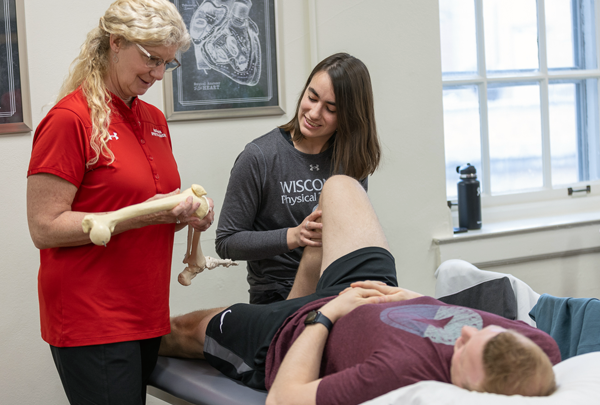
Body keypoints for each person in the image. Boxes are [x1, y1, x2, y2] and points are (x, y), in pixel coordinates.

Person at [160, 176, 560, 405]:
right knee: (340, 187)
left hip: (296, 332)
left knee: (181, 330)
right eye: (482, 330)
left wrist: (327, 315)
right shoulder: (533, 352)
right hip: (375, 291)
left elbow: (284, 398)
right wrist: (411, 298)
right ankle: (301, 293)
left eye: (463, 347)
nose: (467, 330)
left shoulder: (401, 374)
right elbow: (536, 349)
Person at [26, 1, 214, 404]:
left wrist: (184, 214)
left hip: (146, 312)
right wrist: (139, 216)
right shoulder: (69, 119)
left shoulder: (153, 119)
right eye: (150, 59)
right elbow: (43, 227)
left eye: (168, 64)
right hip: (92, 316)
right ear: (116, 42)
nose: (158, 74)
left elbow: (144, 212)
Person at [215, 53, 381, 304]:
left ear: (350, 116)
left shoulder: (350, 160)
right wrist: (295, 236)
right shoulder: (259, 156)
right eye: (311, 98)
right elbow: (227, 242)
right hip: (277, 295)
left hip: (336, 289)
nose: (314, 113)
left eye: (330, 109)